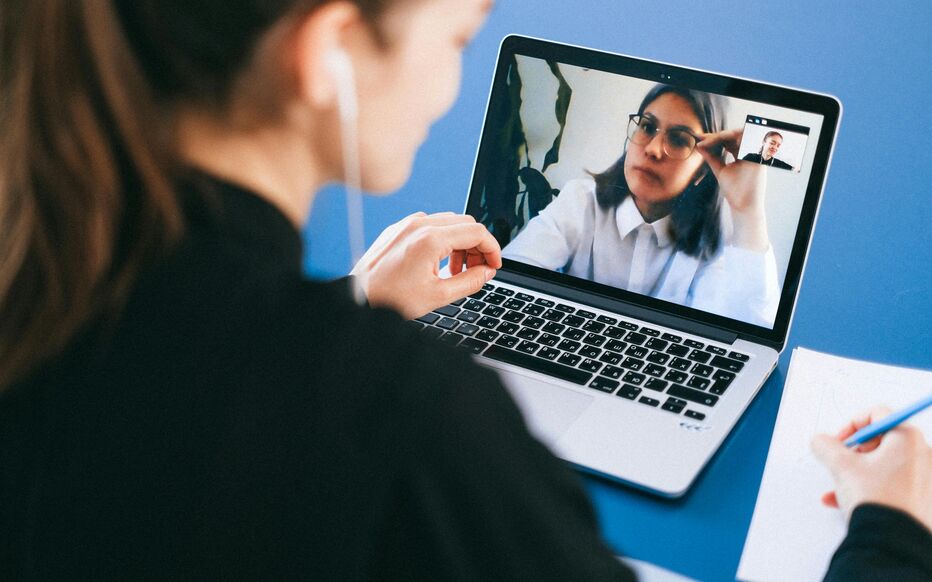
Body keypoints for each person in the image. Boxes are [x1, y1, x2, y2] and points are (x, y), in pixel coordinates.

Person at [0, 1, 928, 580]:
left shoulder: (43, 276)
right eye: (454, 39)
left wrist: (348, 314)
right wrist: (892, 532)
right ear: (328, 52)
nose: (452, 84)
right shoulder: (417, 419)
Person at [502, 85, 781, 327]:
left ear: (701, 172)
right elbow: (510, 279)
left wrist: (748, 209)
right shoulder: (580, 201)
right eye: (647, 127)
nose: (653, 149)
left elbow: (744, 334)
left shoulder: (717, 244)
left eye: (679, 139)